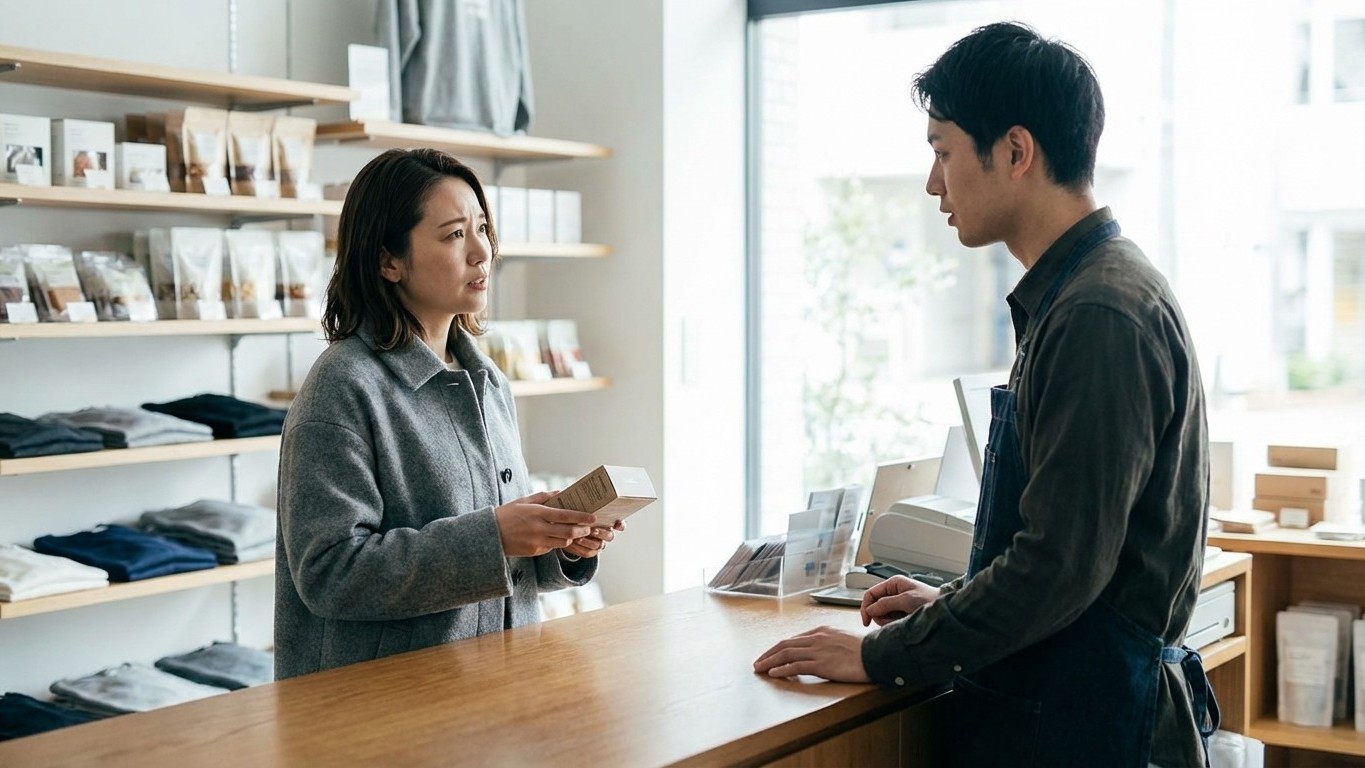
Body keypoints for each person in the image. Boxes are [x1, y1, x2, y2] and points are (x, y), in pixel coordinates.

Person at [753, 21, 1216, 768]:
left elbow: (1058, 566)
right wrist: (953, 608)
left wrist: (880, 656)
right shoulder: (1083, 292)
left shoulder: (1098, 312)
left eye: (941, 152)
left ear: (1013, 152)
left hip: (1085, 728)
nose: (933, 182)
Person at [275, 148, 622, 679]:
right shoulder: (342, 387)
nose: (482, 252)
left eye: (482, 228)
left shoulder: (487, 381)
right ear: (388, 260)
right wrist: (495, 536)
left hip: (496, 694)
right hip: (384, 718)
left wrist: (560, 542)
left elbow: (504, 566)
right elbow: (328, 575)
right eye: (455, 234)